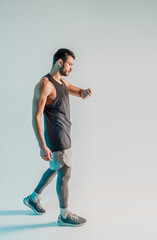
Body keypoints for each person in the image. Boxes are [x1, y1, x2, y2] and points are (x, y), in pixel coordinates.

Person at [24, 48, 92, 227]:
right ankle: (64, 215)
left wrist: (83, 92)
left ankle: (32, 199)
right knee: (65, 173)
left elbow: (74, 90)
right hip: (57, 138)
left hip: (64, 134)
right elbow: (36, 116)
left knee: (54, 168)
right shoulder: (44, 85)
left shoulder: (61, 81)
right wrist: (42, 145)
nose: (71, 68)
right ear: (60, 62)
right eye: (70, 64)